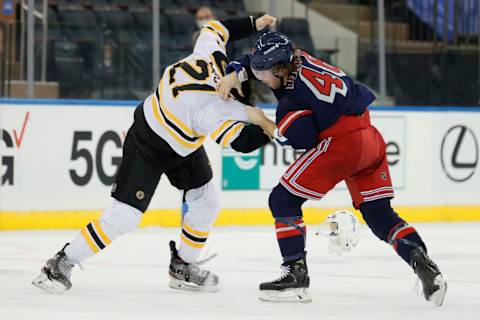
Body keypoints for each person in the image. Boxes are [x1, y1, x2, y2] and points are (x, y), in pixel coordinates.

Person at [32, 15, 277, 294]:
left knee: (206, 200)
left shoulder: (210, 54)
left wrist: (253, 22)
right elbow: (242, 142)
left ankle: (183, 265)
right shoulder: (214, 108)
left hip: (181, 140)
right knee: (125, 216)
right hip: (148, 143)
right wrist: (268, 125)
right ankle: (60, 262)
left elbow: (216, 27)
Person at [217, 31, 447, 305]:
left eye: (263, 72)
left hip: (342, 145)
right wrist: (236, 71)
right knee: (378, 214)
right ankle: (422, 260)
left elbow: (296, 139)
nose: (259, 76)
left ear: (280, 69)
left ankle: (295, 276)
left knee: (282, 199)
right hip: (370, 137)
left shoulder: (292, 99)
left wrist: (261, 120)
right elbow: (261, 57)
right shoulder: (301, 58)